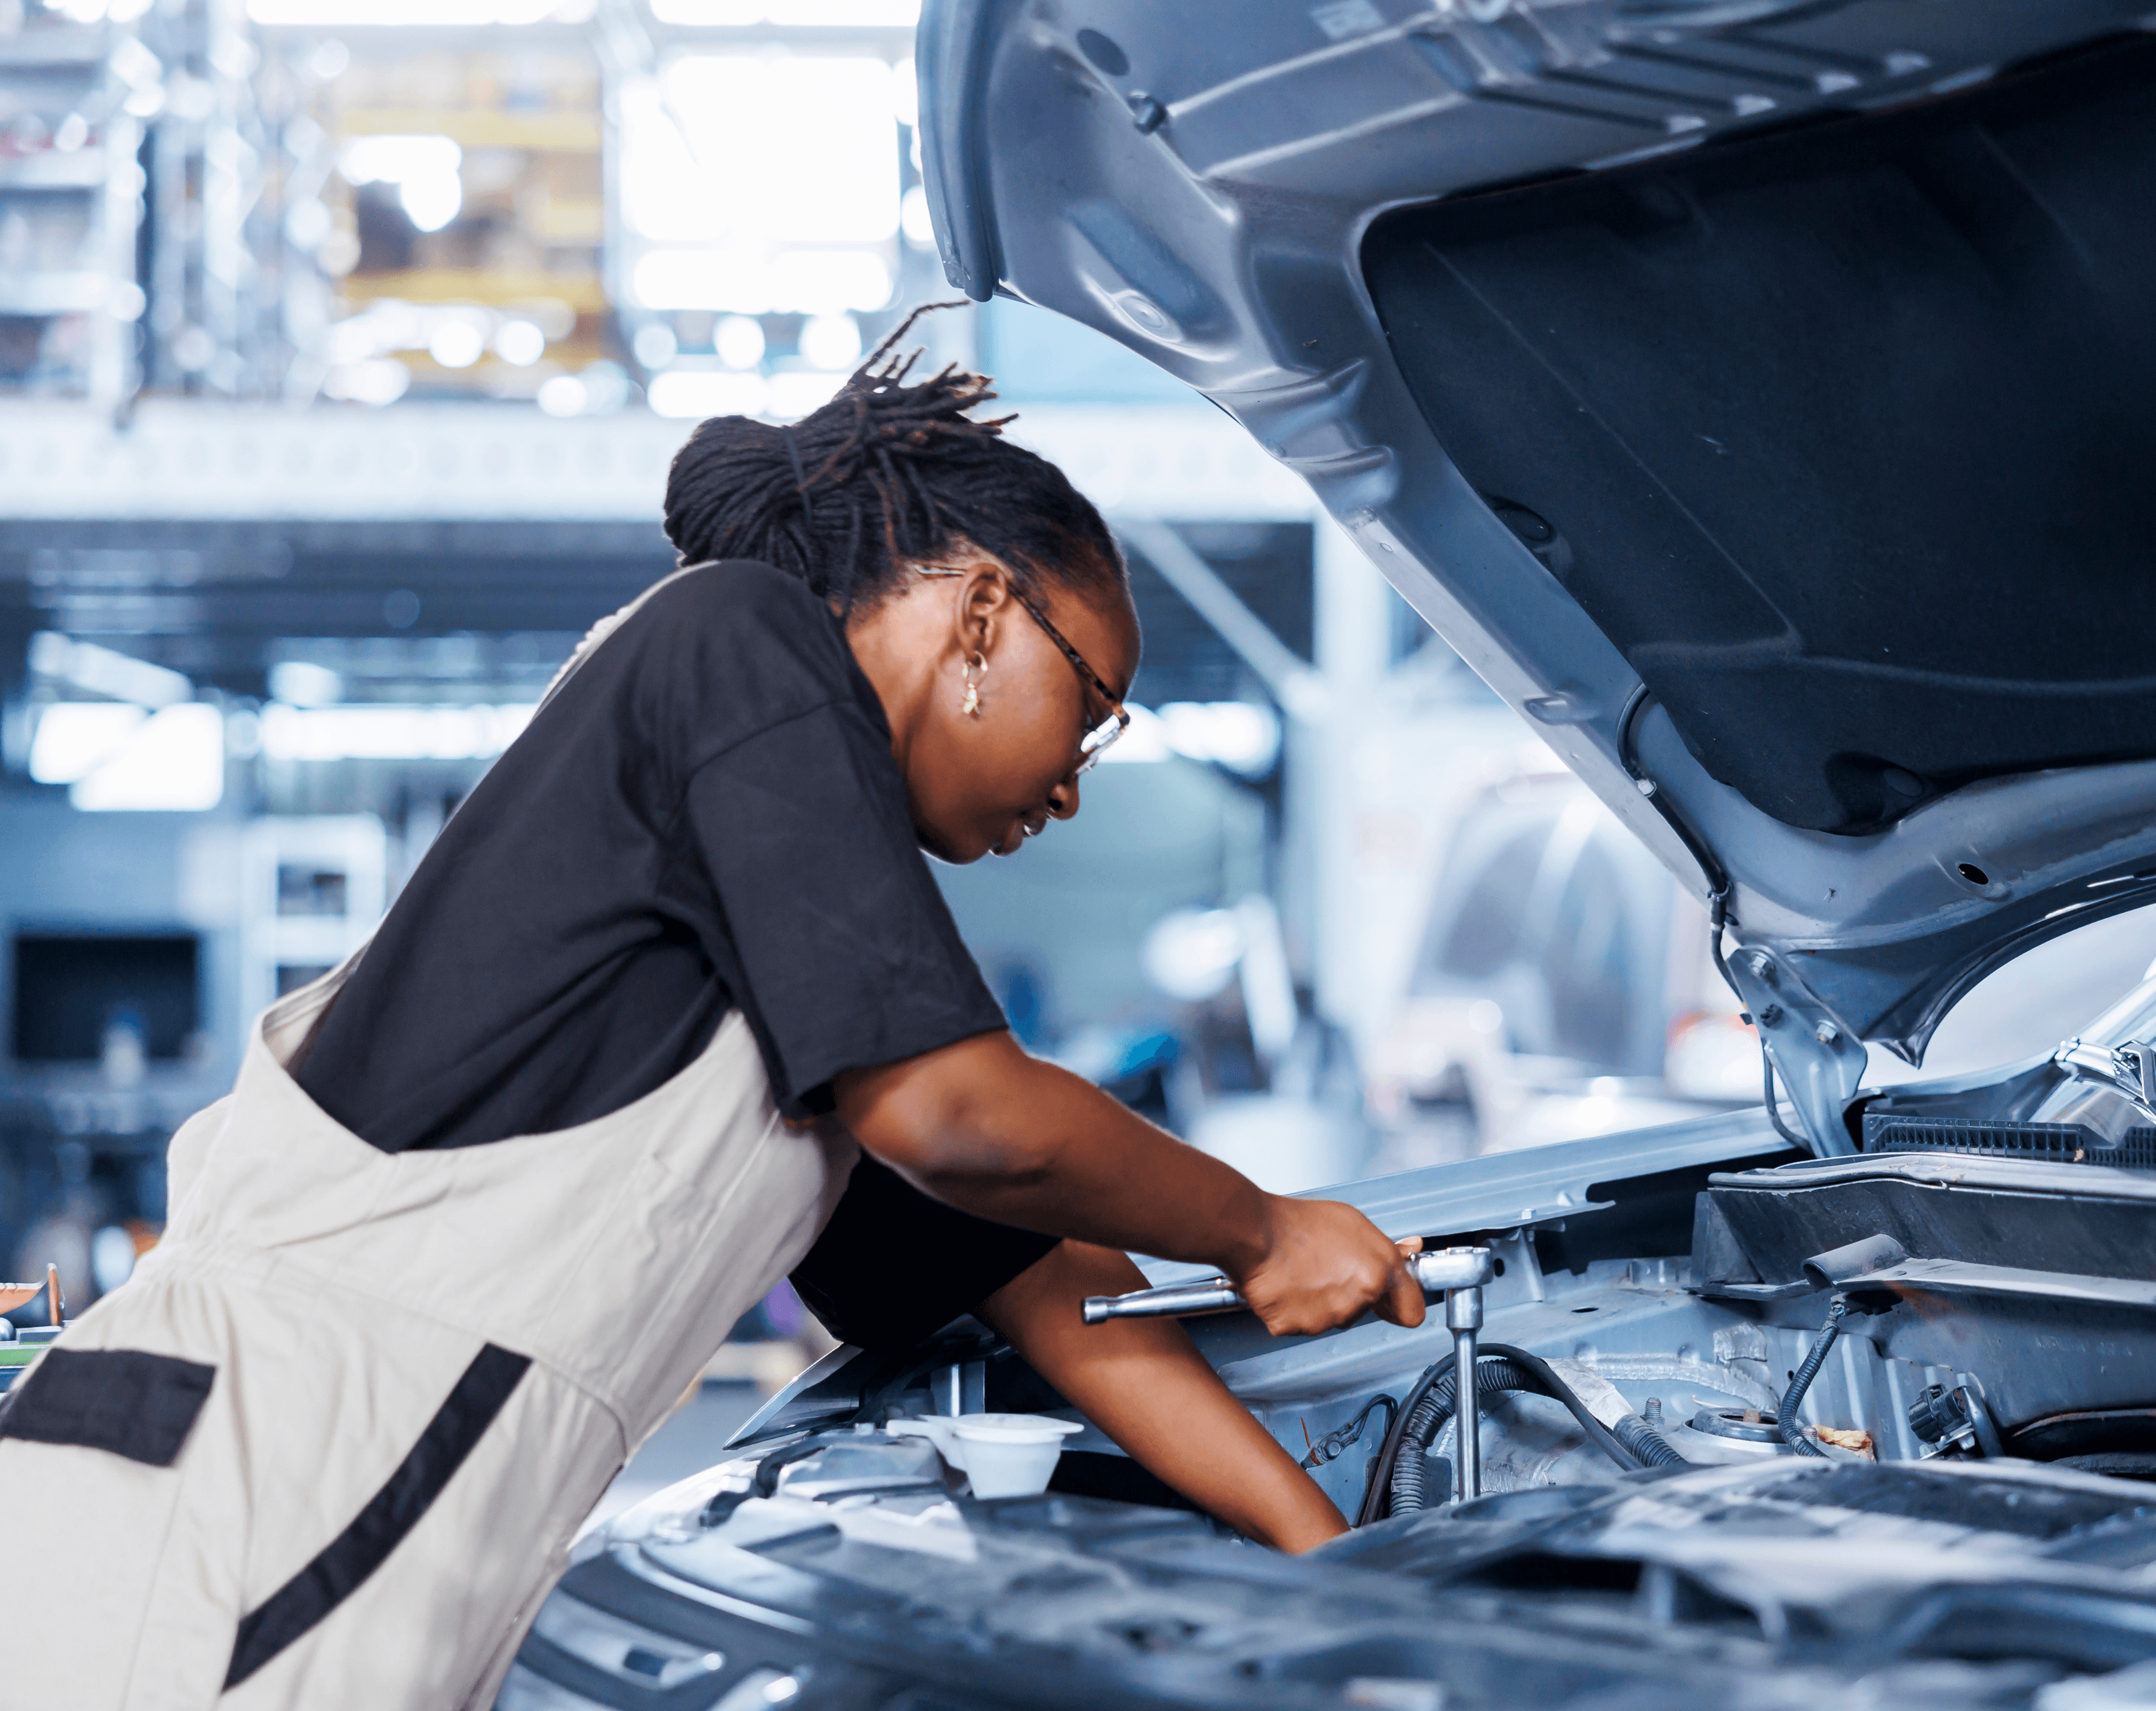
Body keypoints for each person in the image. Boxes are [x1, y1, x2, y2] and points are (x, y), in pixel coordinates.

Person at [0, 319, 1423, 1711]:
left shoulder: (798, 997)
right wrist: (1258, 1226)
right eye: (1094, 709)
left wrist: (1349, 1571)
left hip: (346, 1539)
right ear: (982, 609)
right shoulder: (733, 640)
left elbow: (1056, 1290)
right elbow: (968, 1122)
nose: (1071, 786)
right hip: (216, 1525)